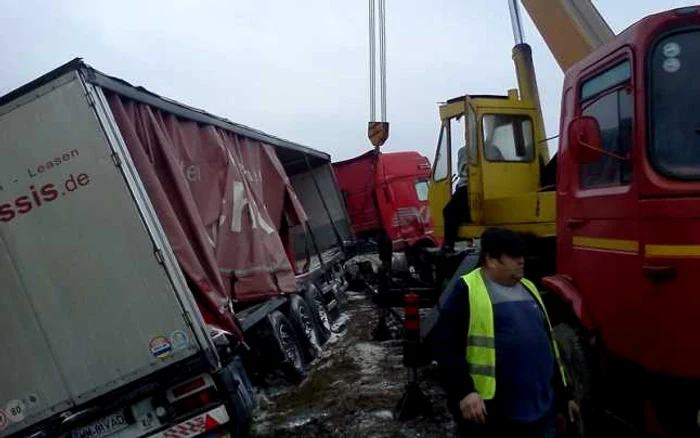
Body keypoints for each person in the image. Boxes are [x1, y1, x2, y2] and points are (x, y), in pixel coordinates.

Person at [433, 228, 579, 437]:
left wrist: (565, 398)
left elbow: (548, 348)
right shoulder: (468, 290)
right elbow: (445, 346)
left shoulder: (529, 288)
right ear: (491, 259)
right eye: (513, 256)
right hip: (496, 415)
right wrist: (464, 392)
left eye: (522, 255)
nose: (521, 261)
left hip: (542, 412)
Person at [442, 146, 470, 252]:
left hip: (467, 186)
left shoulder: (464, 150)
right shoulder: (492, 148)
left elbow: (464, 173)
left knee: (449, 211)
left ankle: (448, 245)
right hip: (470, 186)